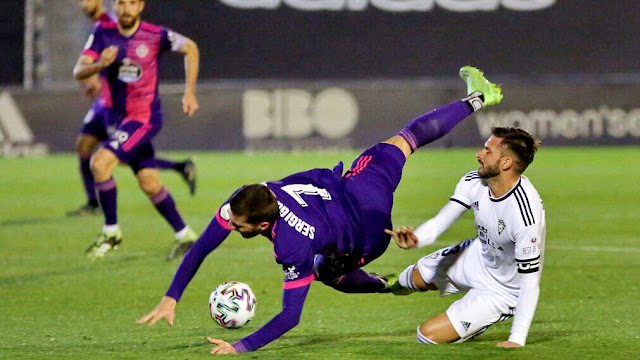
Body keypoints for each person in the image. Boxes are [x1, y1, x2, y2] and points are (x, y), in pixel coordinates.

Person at [137, 66, 503, 354]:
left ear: (263, 223)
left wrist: (241, 346)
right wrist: (171, 298)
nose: (229, 225)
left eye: (237, 225)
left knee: (324, 271)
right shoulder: (249, 198)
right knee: (404, 139)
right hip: (355, 186)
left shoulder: (290, 246)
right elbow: (202, 246)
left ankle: (389, 283)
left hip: (367, 235)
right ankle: (478, 97)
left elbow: (290, 316)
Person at [385, 127, 545, 348]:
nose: (479, 154)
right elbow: (441, 221)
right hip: (476, 256)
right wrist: (416, 238)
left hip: (503, 291)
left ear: (506, 163)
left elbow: (530, 282)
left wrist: (516, 338)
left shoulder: (525, 214)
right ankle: (373, 283)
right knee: (409, 279)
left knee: (427, 335)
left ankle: (472, 324)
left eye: (488, 151)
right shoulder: (474, 181)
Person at [73, 0, 200, 260]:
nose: (127, 8)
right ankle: (185, 235)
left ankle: (111, 231)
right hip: (117, 120)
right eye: (121, 3)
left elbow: (191, 48)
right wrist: (98, 65)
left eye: (132, 2)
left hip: (144, 119)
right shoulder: (103, 33)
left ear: (141, 6)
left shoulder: (156, 35)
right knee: (150, 183)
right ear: (115, 6)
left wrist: (189, 92)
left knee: (100, 163)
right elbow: (78, 70)